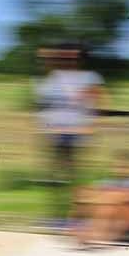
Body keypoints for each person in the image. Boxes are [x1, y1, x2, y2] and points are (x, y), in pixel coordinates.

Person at [35, 44, 105, 227]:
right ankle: (56, 217)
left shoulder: (90, 77)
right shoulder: (53, 77)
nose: (69, 61)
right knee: (55, 178)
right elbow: (44, 104)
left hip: (77, 132)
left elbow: (97, 104)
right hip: (55, 132)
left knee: (75, 178)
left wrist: (91, 126)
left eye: (73, 58)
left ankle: (78, 218)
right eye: (65, 58)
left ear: (81, 59)